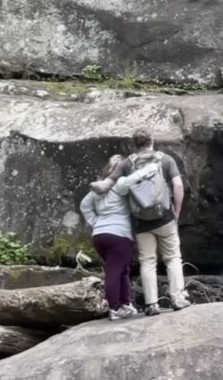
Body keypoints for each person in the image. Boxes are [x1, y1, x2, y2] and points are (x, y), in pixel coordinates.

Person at [92, 129, 191, 314]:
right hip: (165, 218)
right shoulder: (166, 159)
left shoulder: (126, 164)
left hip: (141, 222)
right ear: (151, 141)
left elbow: (107, 184)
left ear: (134, 144)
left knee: (147, 261)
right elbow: (178, 185)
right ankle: (177, 298)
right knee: (173, 258)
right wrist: (177, 212)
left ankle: (151, 304)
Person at [79, 155, 138, 320]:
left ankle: (125, 304)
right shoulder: (122, 185)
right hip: (119, 234)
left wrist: (96, 222)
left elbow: (84, 205)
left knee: (120, 270)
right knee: (114, 271)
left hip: (99, 235)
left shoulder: (98, 188)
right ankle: (114, 308)